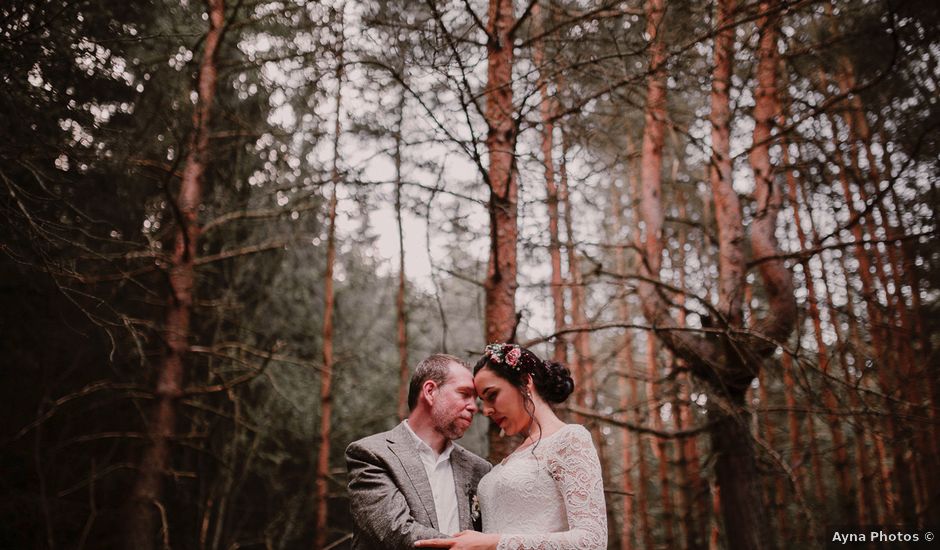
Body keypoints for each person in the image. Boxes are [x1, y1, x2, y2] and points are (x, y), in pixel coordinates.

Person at [416, 343, 607, 550]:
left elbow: (592, 541)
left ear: (525, 381)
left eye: (492, 395)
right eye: (483, 401)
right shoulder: (512, 457)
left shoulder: (570, 439)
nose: (486, 411)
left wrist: (493, 543)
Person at [345, 354, 492, 550]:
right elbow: (395, 533)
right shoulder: (371, 454)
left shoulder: (479, 468)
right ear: (430, 391)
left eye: (476, 399)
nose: (474, 407)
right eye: (464, 394)